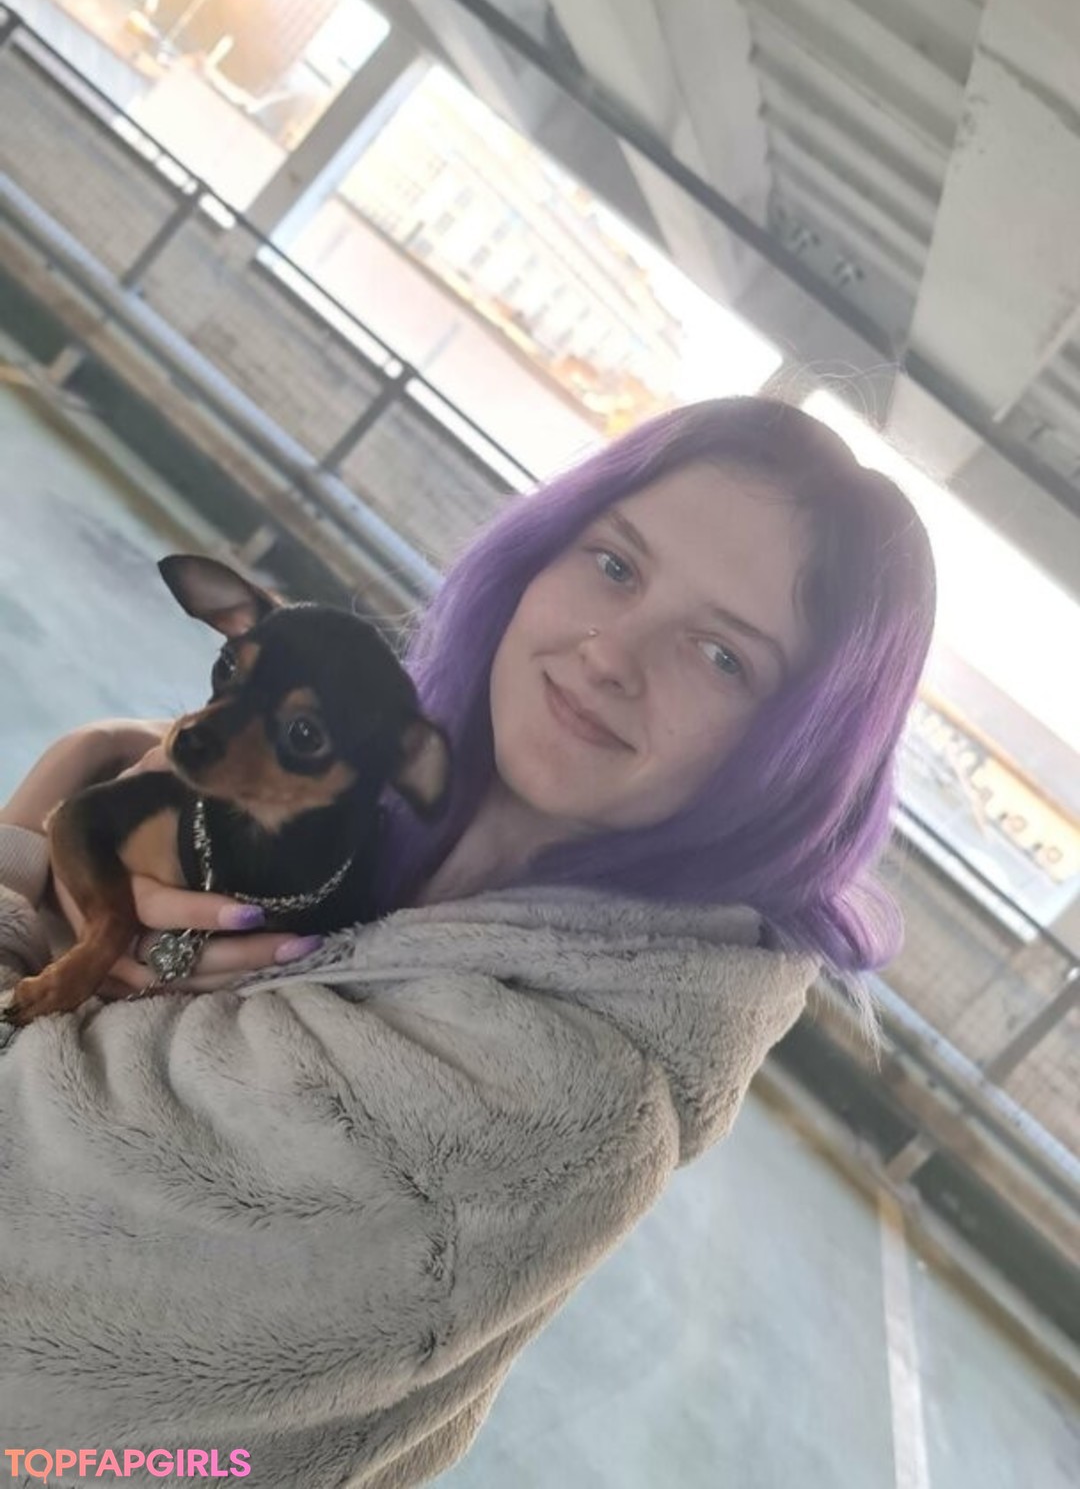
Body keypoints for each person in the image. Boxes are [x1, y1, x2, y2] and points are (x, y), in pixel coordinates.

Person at [0, 395, 935, 1486]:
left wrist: (31, 853)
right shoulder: (364, 817)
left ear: (787, 761)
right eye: (615, 565)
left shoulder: (541, 1091)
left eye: (723, 656)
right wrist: (86, 807)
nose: (611, 652)